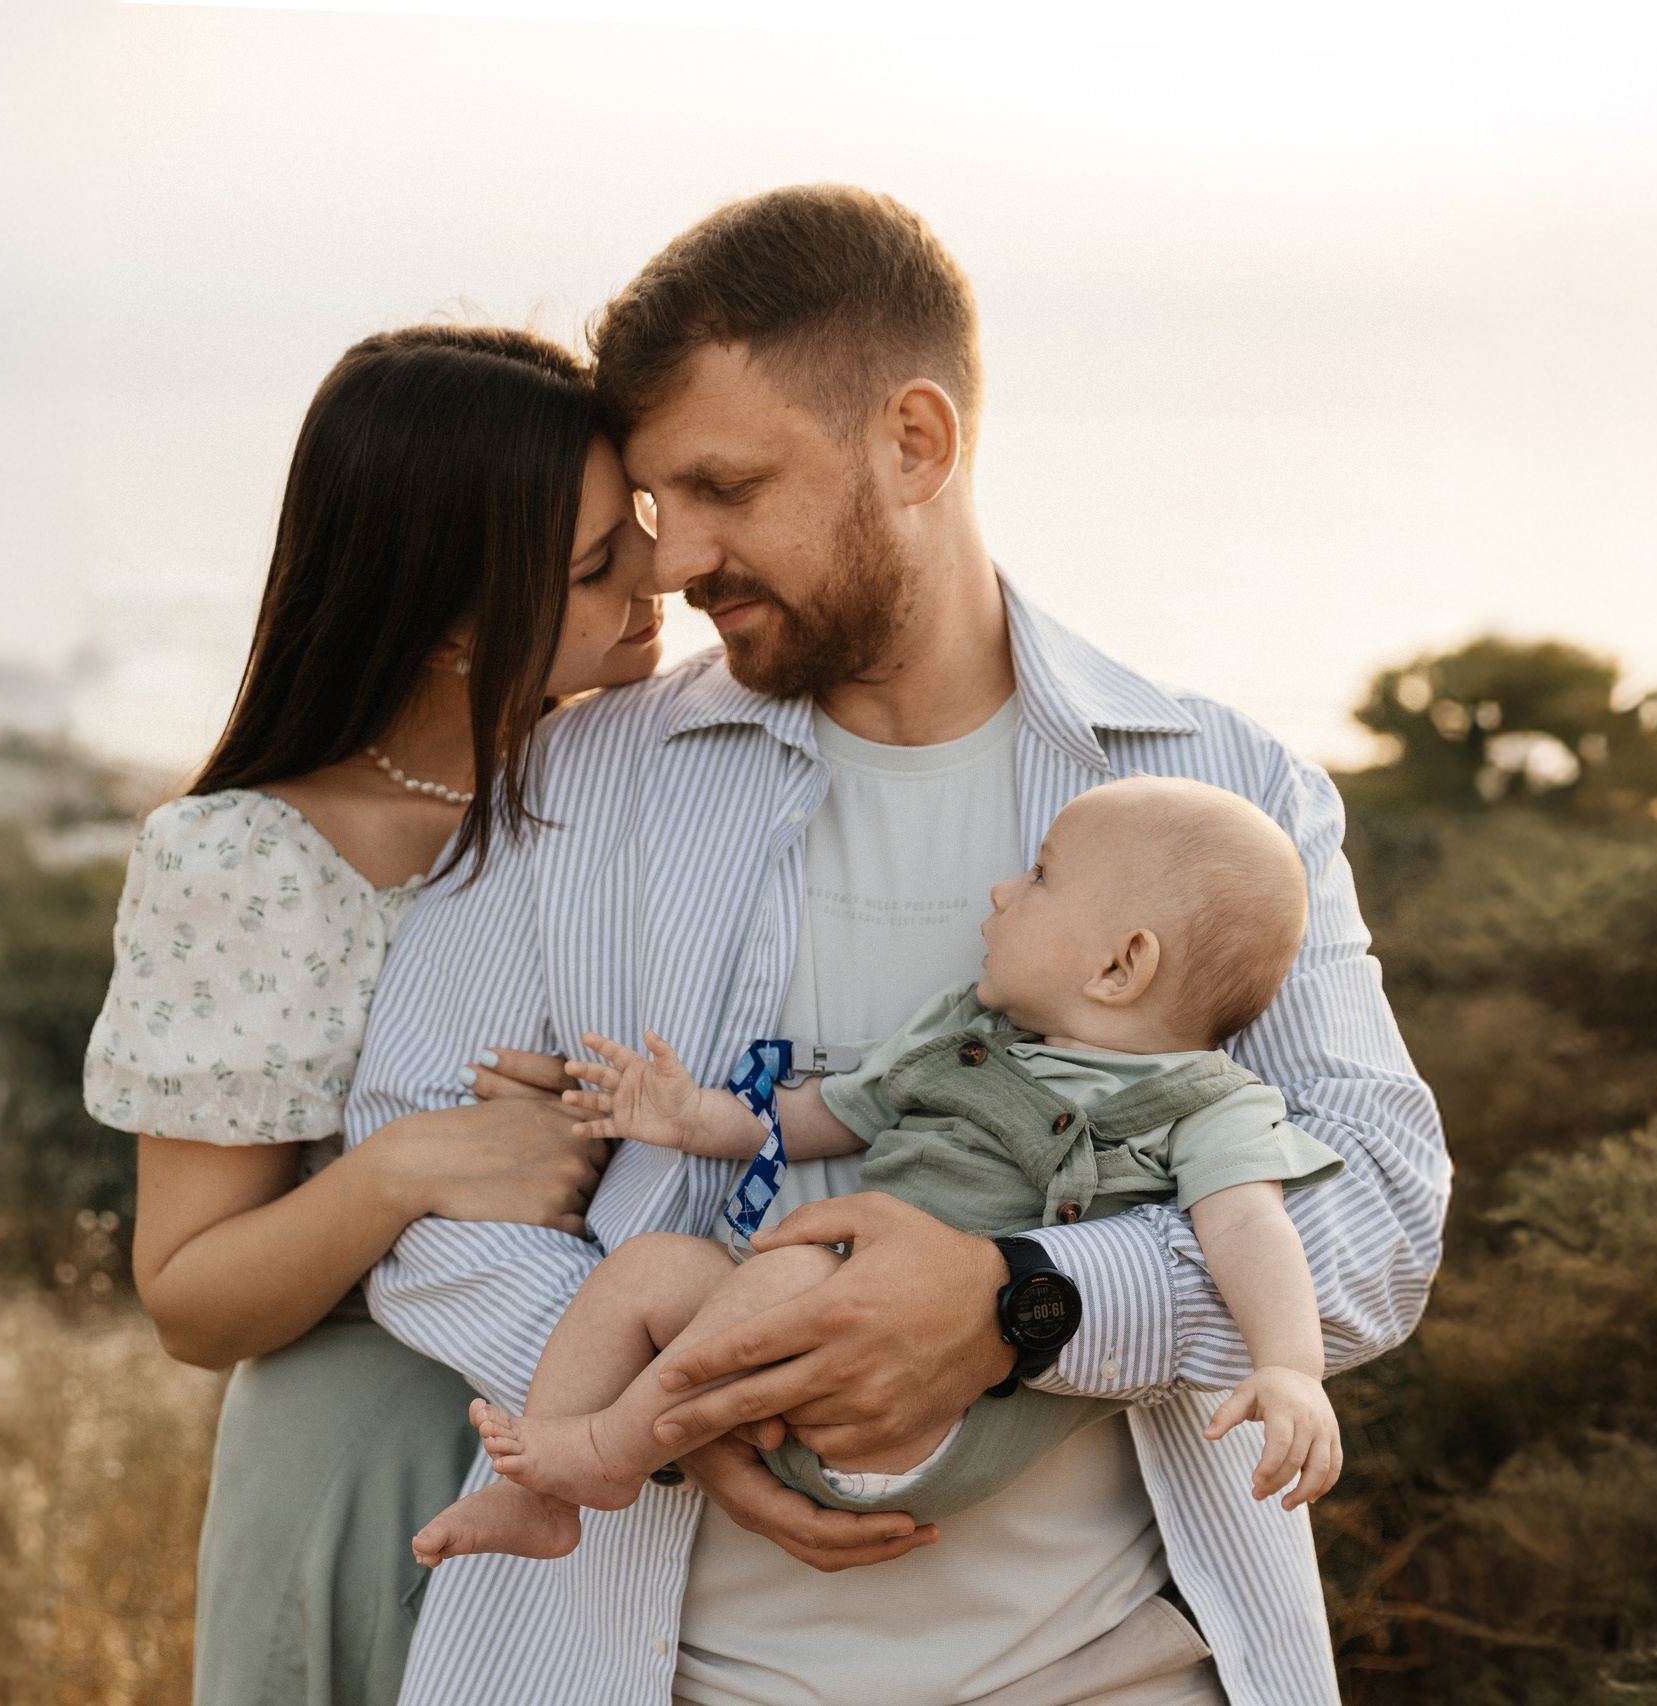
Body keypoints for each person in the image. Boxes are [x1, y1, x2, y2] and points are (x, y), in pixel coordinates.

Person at [349, 186, 1449, 1706]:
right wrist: (704, 1396)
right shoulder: (581, 781)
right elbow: (407, 1175)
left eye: (728, 487)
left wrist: (1020, 1303)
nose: (675, 566)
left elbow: (1380, 1217)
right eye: (664, 506)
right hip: (638, 1668)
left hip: (1131, 1670)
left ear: (916, 443)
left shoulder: (1229, 790)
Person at [82, 323, 666, 1706]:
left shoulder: (658, 785)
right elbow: (189, 1297)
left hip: (637, 1468)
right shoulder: (247, 857)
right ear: (455, 614)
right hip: (376, 1464)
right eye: (597, 565)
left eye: (639, 519)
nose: (663, 573)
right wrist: (408, 1167)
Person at [411, 776, 1346, 1571]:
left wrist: (1291, 1368)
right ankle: (542, 1504)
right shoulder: (960, 1035)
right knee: (655, 1266)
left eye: (1040, 877)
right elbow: (830, 1112)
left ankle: (611, 1451)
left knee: (791, 1276)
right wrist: (693, 1118)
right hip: (799, 1362)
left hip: (940, 1417)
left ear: (1120, 965)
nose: (1000, 891)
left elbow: (1248, 1226)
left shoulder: (1209, 1103)